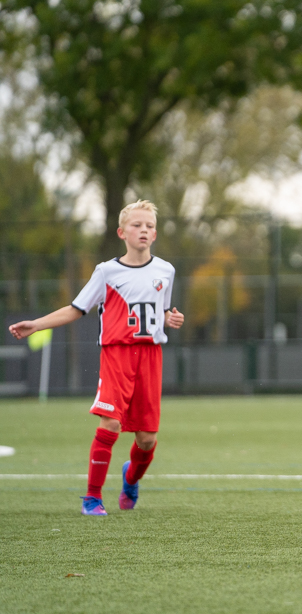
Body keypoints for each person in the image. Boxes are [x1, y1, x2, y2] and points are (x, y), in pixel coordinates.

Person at [8, 200, 183, 516]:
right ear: (121, 232)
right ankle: (92, 498)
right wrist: (36, 324)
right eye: (136, 225)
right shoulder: (107, 272)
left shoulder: (165, 270)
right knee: (111, 423)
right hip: (116, 355)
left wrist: (170, 317)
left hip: (150, 358)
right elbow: (76, 309)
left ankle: (130, 478)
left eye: (148, 226)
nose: (143, 230)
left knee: (146, 439)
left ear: (155, 234)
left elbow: (164, 308)